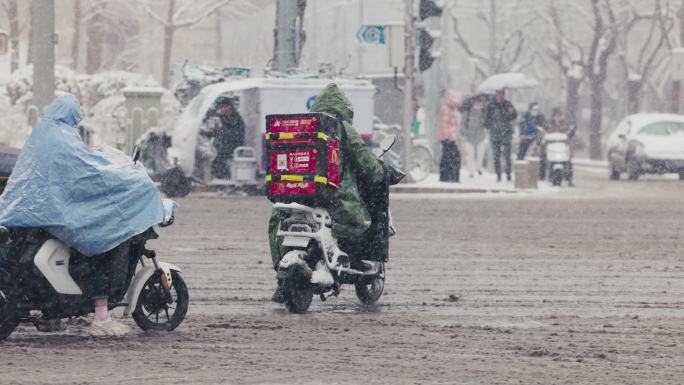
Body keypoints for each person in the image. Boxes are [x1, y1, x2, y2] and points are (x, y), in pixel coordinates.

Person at [0, 94, 169, 337]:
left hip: (28, 213)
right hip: (53, 213)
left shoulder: (42, 134)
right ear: (69, 113)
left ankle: (53, 315)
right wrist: (124, 176)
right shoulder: (64, 138)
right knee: (100, 246)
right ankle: (101, 317)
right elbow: (88, 170)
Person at [268, 84, 385, 302]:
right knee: (361, 220)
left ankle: (282, 275)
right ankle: (353, 261)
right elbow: (366, 163)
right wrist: (379, 172)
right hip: (334, 198)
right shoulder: (339, 127)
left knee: (278, 224)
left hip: (293, 195)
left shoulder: (302, 127)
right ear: (344, 109)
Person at [206, 97, 245, 179]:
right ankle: (215, 176)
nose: (221, 109)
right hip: (224, 144)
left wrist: (221, 131)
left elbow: (235, 135)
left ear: (229, 107)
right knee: (208, 152)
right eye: (220, 107)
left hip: (234, 145)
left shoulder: (237, 119)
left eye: (223, 107)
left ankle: (223, 177)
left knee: (219, 156)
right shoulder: (222, 117)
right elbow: (215, 128)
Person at [484, 89, 518, 182]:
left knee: (507, 156)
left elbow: (514, 115)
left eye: (502, 94)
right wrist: (491, 125)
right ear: (496, 94)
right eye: (498, 94)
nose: (500, 96)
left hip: (506, 133)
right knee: (496, 156)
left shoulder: (508, 104)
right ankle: (498, 175)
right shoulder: (491, 105)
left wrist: (510, 113)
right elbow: (486, 120)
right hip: (495, 134)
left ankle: (508, 174)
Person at [541, 107, 575, 186]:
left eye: (559, 114)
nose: (557, 116)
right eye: (556, 114)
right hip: (551, 145)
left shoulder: (565, 123)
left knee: (568, 161)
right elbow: (544, 131)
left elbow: (569, 132)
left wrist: (571, 133)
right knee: (543, 158)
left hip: (561, 146)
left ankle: (569, 178)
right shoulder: (548, 123)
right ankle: (541, 176)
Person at [437, 90, 461, 182]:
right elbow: (444, 124)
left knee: (447, 157)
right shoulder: (447, 109)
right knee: (453, 157)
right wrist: (449, 137)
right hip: (448, 138)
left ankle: (447, 177)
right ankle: (451, 177)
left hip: (448, 137)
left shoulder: (448, 108)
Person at [461, 95, 488, 178]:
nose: (478, 105)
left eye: (479, 103)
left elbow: (487, 123)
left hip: (480, 137)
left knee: (480, 154)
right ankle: (471, 171)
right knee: (471, 155)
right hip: (470, 137)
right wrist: (466, 132)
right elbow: (463, 124)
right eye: (476, 103)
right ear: (473, 103)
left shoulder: (484, 113)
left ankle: (478, 167)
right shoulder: (468, 112)